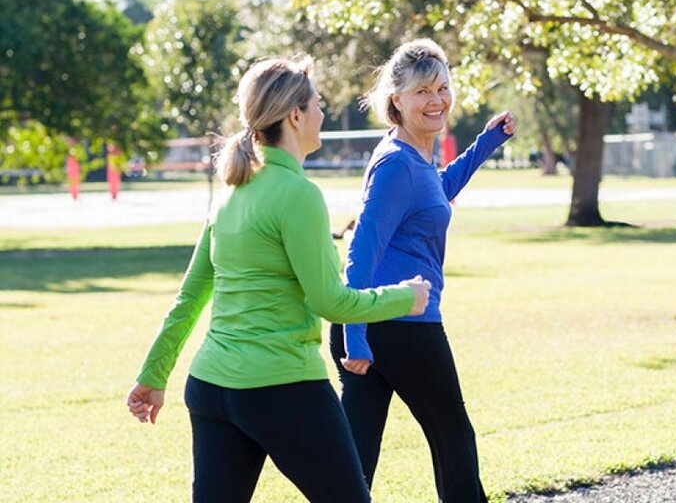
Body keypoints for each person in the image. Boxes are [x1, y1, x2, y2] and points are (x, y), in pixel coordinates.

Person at [126, 56, 432, 503]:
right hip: (283, 388)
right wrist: (403, 297)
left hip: (212, 389)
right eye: (317, 104)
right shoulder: (299, 195)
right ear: (294, 115)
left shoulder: (232, 194)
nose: (323, 114)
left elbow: (189, 297)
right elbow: (332, 303)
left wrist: (154, 375)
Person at [330, 39, 517, 502]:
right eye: (422, 92)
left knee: (356, 458)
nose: (436, 101)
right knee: (453, 438)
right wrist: (356, 338)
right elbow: (361, 249)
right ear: (397, 99)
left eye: (442, 88)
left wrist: (487, 142)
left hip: (375, 323)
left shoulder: (411, 154)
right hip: (398, 323)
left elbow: (435, 188)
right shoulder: (397, 164)